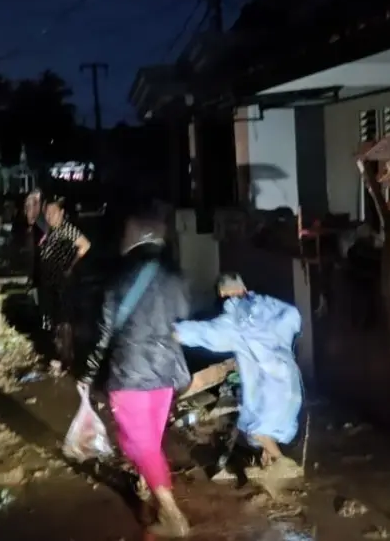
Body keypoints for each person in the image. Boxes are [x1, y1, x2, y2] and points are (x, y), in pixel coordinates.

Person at [80, 210, 192, 537]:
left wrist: (87, 373)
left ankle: (172, 514)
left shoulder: (118, 280)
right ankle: (148, 482)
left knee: (138, 442)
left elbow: (103, 332)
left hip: (130, 370)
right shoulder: (176, 278)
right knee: (151, 437)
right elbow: (184, 317)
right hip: (167, 368)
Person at [174, 273, 304, 479]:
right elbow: (293, 317)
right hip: (290, 381)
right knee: (269, 426)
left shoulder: (235, 318)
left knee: (255, 429)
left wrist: (169, 332)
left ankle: (284, 464)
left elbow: (205, 333)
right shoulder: (268, 304)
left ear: (222, 293)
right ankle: (268, 465)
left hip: (267, 384)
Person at [40, 197, 91, 359]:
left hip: (64, 283)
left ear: (61, 213)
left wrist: (70, 266)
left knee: (65, 321)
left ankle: (66, 358)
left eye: (53, 212)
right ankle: (60, 354)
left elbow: (85, 245)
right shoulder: (52, 230)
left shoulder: (66, 228)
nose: (49, 216)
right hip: (53, 282)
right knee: (57, 319)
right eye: (47, 213)